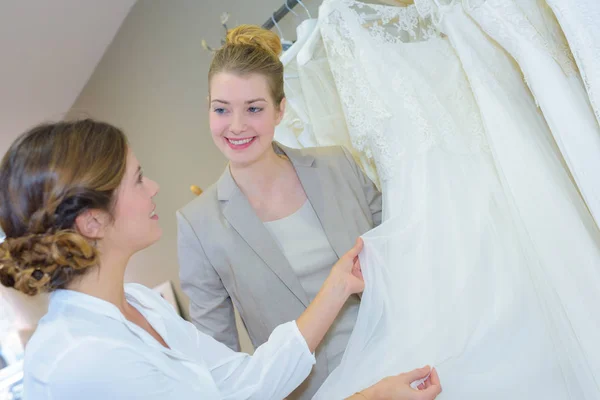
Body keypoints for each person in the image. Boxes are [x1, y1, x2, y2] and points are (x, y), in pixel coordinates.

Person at [0, 119, 441, 399]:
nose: (153, 187)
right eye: (137, 180)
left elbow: (246, 383)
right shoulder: (83, 360)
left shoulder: (138, 302)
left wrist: (338, 285)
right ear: (93, 222)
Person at [177, 25, 381, 399]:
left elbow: (401, 255)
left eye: (254, 108)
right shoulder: (197, 225)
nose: (236, 126)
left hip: (400, 360)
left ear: (280, 110)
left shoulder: (338, 165)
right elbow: (220, 366)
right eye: (222, 109)